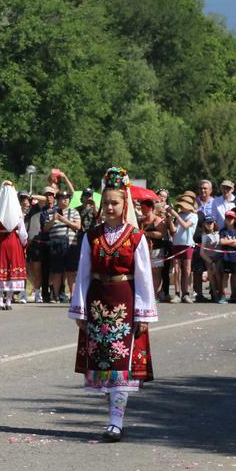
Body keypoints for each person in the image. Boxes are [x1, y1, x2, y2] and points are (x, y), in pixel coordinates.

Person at [68, 167, 156, 443]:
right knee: (103, 364)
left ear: (124, 204)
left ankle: (115, 421)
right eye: (105, 202)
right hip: (97, 302)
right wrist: (80, 308)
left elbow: (143, 277)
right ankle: (112, 415)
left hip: (124, 300)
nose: (108, 207)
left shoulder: (135, 237)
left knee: (121, 364)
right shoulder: (91, 236)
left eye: (114, 203)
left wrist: (143, 313)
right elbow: (82, 272)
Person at [0, 183, 28, 310]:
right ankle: (9, 301)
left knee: (1, 269)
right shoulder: (18, 213)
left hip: (1, 242)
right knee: (12, 270)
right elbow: (23, 233)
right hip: (14, 241)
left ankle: (0, 301)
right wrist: (23, 244)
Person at [42, 191, 81, 303]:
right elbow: (45, 228)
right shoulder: (50, 213)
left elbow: (78, 226)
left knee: (71, 271)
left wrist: (65, 221)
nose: (65, 200)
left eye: (67, 198)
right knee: (56, 272)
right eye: (62, 198)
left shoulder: (74, 212)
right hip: (55, 245)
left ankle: (73, 295)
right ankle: (56, 295)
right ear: (57, 200)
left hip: (71, 245)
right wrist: (54, 219)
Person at [165, 197, 199, 303]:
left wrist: (175, 214)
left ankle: (186, 293)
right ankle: (177, 293)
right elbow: (174, 230)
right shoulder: (180, 215)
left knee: (187, 270)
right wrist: (170, 219)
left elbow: (185, 225)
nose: (181, 207)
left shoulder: (193, 216)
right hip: (176, 244)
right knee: (177, 270)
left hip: (187, 244)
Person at [217, 211, 236, 304]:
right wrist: (233, 241)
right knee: (225, 276)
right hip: (225, 257)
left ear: (234, 219)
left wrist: (228, 241)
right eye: (228, 218)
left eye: (231, 218)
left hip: (235, 257)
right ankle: (223, 295)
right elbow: (221, 242)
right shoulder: (222, 231)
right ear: (225, 219)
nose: (229, 220)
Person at [199, 218, 221, 301]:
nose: (209, 224)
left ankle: (220, 293)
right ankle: (215, 294)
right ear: (204, 225)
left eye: (211, 222)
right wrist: (211, 262)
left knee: (218, 276)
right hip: (209, 258)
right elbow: (202, 252)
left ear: (214, 223)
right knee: (211, 275)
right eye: (207, 223)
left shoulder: (219, 233)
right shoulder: (204, 236)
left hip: (218, 257)